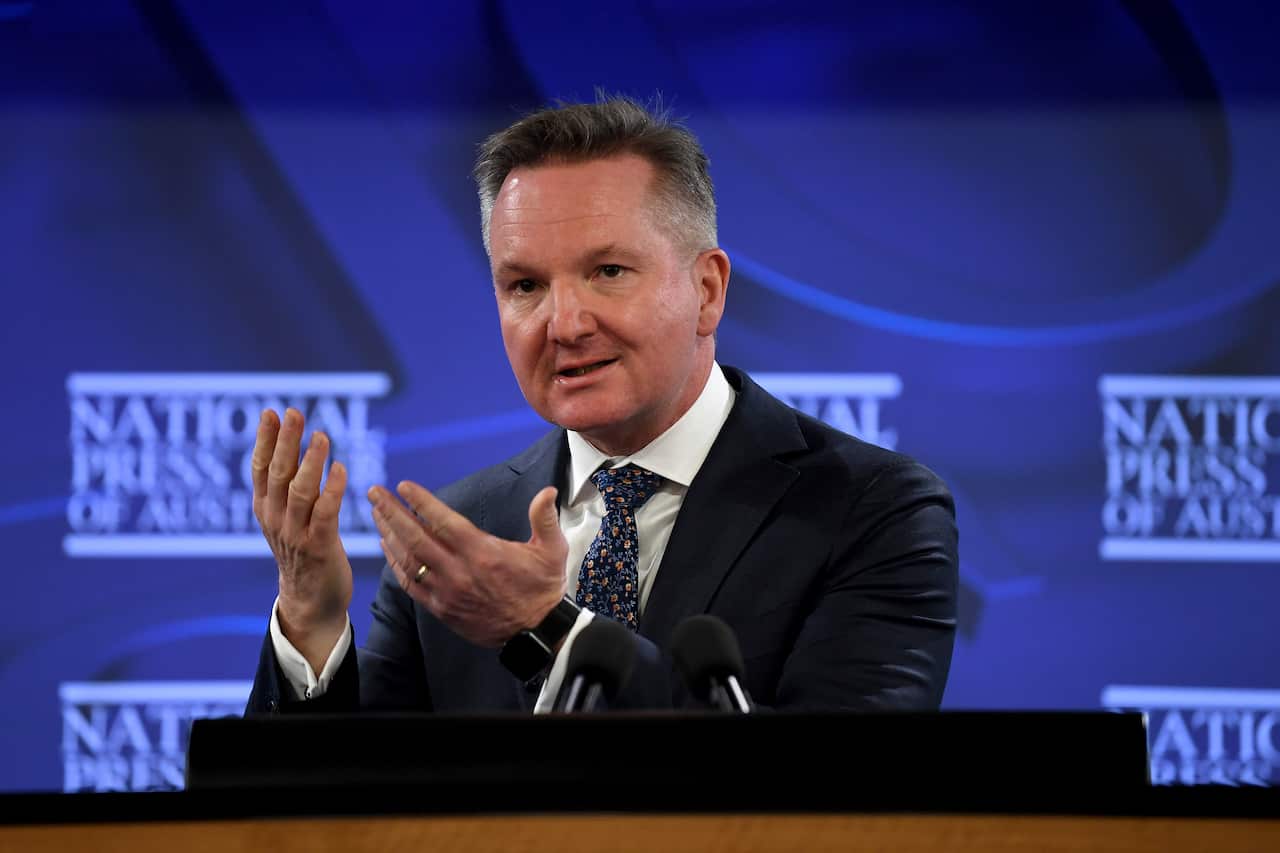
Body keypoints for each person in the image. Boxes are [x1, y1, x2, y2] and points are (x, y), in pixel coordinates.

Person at [245, 95, 958, 715]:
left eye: (608, 271)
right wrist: (311, 621)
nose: (564, 324)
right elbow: (340, 799)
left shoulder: (873, 509)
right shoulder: (461, 538)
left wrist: (549, 630)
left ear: (707, 290)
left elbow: (850, 786)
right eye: (525, 286)